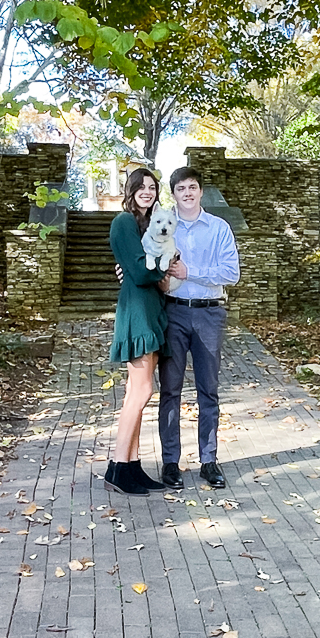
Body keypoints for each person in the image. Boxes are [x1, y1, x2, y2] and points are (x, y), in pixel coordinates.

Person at [158, 166, 240, 490]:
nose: (187, 193)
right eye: (181, 189)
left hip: (209, 315)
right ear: (174, 194)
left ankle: (209, 461)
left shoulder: (219, 228)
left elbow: (230, 273)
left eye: (192, 187)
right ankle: (170, 463)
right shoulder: (163, 227)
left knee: (208, 390)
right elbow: (149, 262)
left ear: (200, 191)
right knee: (170, 390)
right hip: (173, 314)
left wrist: (190, 271)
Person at [104, 167, 168, 497]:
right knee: (141, 392)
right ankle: (118, 467)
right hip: (138, 311)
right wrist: (159, 268)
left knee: (137, 393)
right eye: (140, 186)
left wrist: (151, 268)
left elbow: (145, 266)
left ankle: (133, 464)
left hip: (150, 308)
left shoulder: (147, 224)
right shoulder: (123, 222)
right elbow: (141, 273)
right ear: (130, 190)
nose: (147, 191)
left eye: (152, 186)